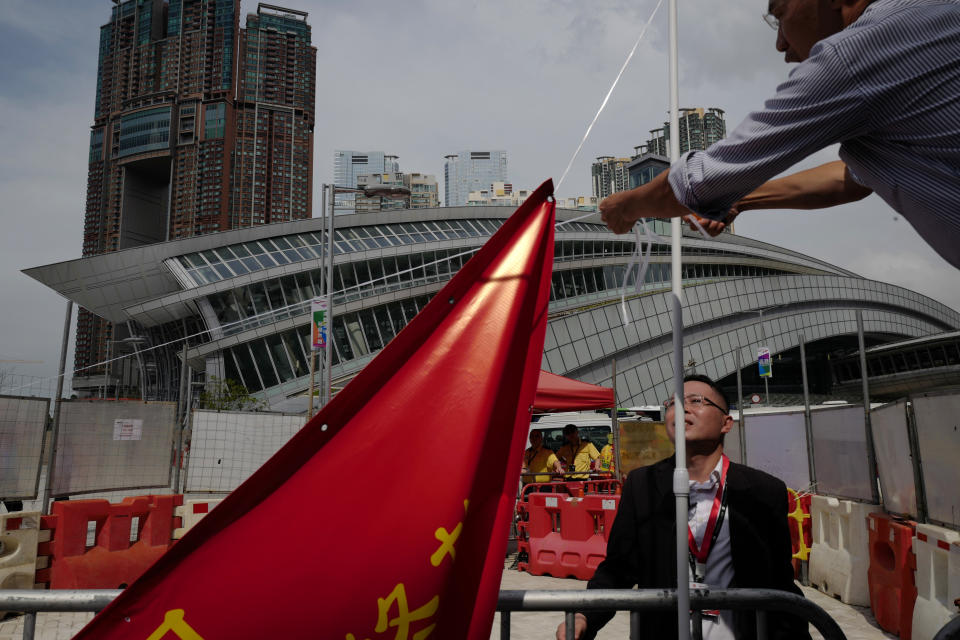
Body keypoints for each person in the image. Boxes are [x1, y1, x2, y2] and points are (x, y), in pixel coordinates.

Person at [600, 0, 960, 270]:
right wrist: (741, 200)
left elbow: (701, 183)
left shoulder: (854, 55)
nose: (780, 45)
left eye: (780, 15)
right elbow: (851, 180)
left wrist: (625, 207)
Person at [556, 375, 809, 640]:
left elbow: (779, 584)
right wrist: (584, 615)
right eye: (674, 403)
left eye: (697, 401)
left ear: (726, 423)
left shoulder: (762, 492)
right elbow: (618, 568)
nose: (683, 408)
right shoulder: (642, 486)